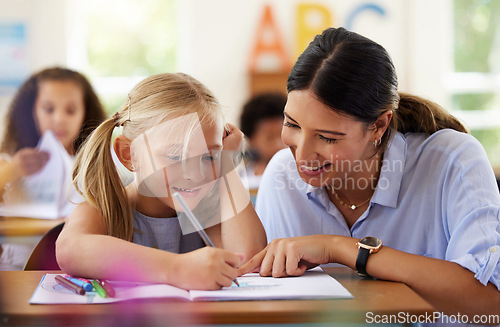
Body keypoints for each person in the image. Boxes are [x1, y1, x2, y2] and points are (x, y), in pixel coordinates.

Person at [239, 27, 500, 317]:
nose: (301, 155)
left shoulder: (452, 160)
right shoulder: (282, 176)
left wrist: (338, 248)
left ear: (378, 125)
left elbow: (490, 302)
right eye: (292, 125)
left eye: (327, 137)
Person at [56, 73, 266, 290]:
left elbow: (248, 259)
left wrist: (227, 163)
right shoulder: (104, 208)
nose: (195, 175)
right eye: (175, 156)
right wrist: (177, 268)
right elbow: (70, 250)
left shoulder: (204, 209)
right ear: (129, 154)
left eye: (209, 157)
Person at [0, 67, 106, 270]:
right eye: (49, 109)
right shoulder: (8, 161)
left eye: (70, 110)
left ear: (85, 112)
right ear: (31, 111)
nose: (59, 119)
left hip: (73, 269)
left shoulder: (96, 166)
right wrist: (12, 171)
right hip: (14, 268)